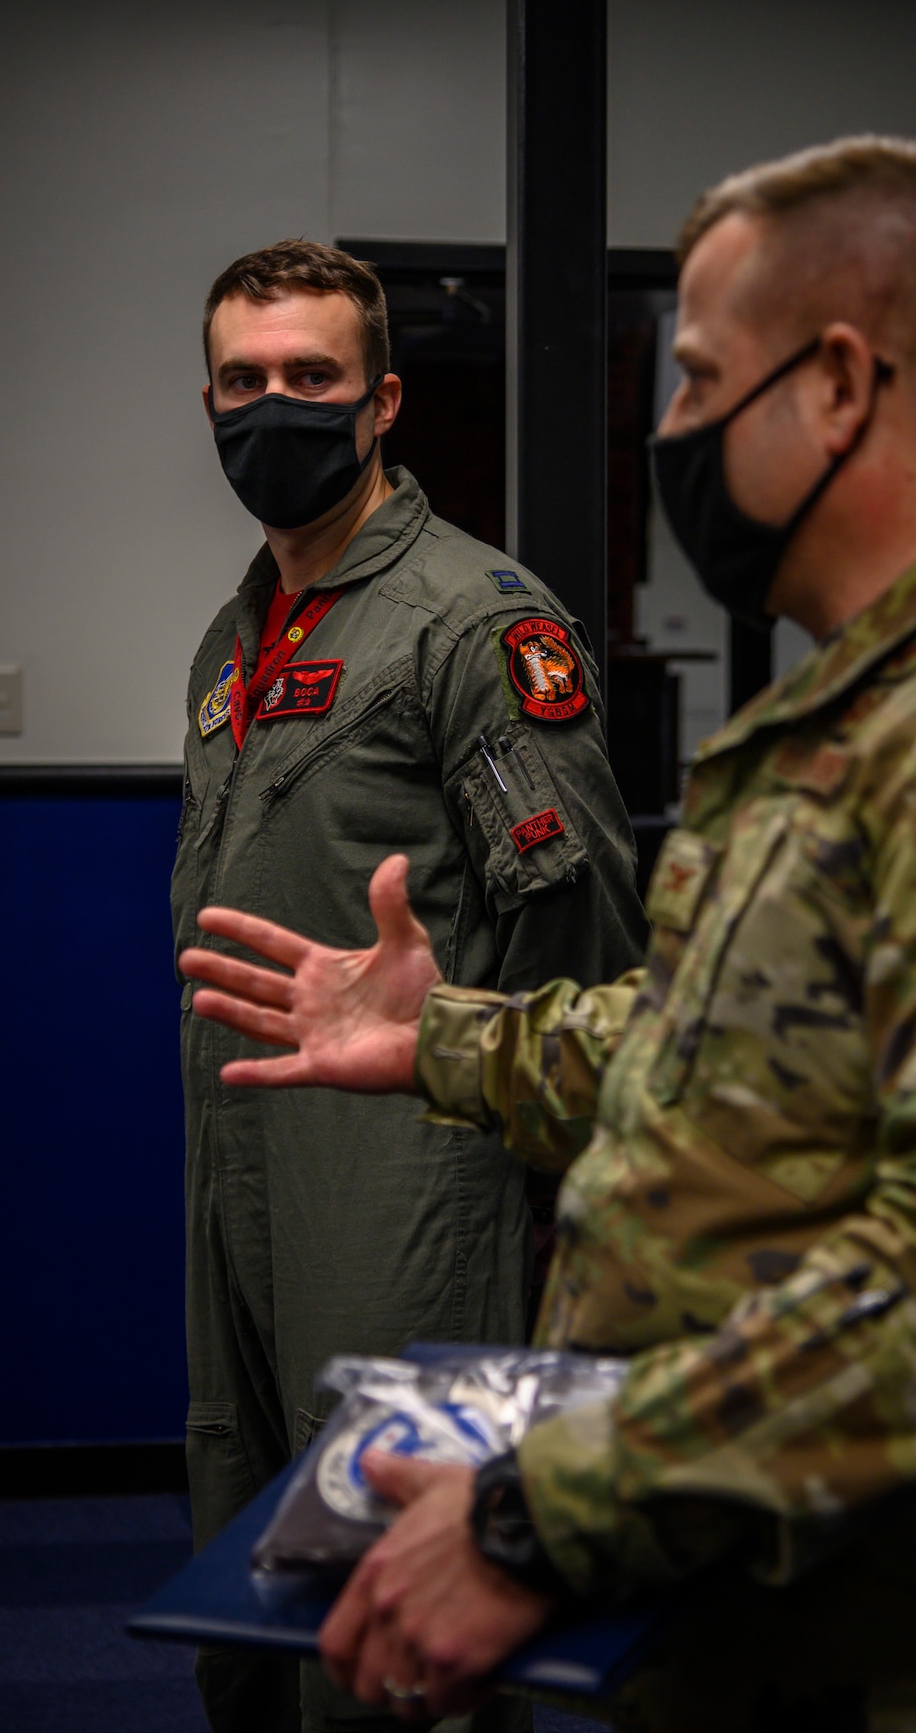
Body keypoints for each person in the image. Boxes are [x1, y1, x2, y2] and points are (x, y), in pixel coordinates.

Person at [177, 146, 916, 1732]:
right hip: (765, 1604)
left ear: (841, 387)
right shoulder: (843, 709)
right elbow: (709, 1055)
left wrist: (546, 1505)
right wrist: (440, 1035)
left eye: (699, 379)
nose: (665, 429)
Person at [175, 239, 647, 1733]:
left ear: (381, 402)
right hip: (244, 1161)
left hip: (415, 1182)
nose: (273, 406)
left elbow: (581, 938)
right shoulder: (240, 629)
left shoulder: (477, 622)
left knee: (385, 1620)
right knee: (247, 1570)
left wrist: (534, 1163)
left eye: (309, 377)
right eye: (243, 380)